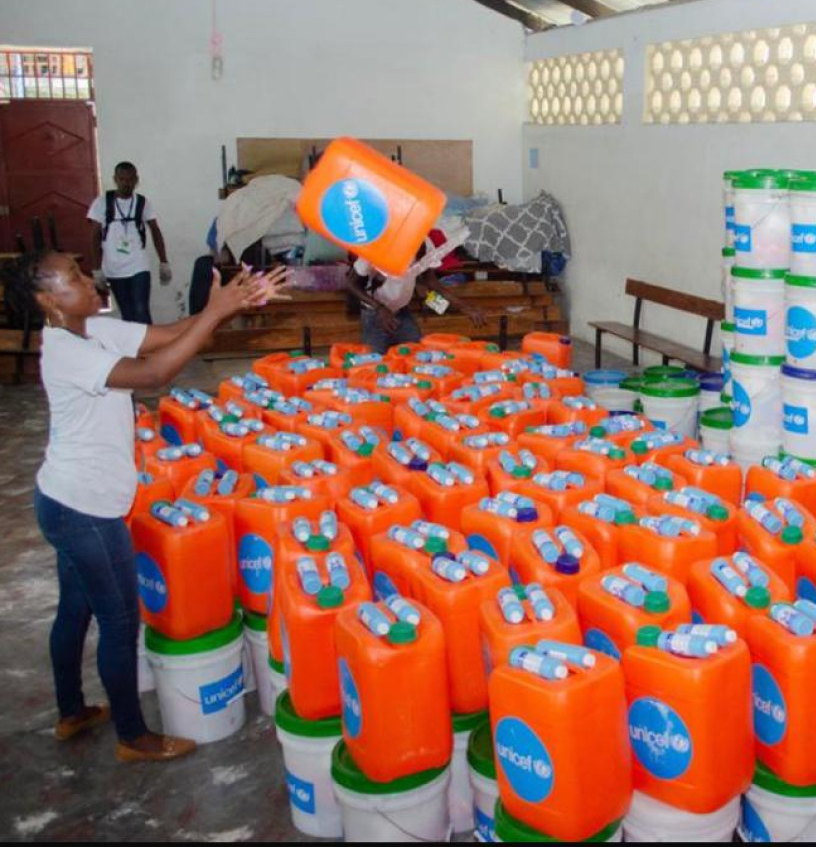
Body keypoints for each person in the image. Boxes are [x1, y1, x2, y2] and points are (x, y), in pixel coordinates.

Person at [20, 249, 287, 761]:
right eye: (73, 276)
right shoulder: (64, 350)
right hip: (84, 509)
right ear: (48, 301)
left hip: (69, 499)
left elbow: (170, 338)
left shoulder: (93, 330)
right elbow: (154, 375)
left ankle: (71, 712)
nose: (88, 277)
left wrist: (224, 306)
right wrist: (214, 312)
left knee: (75, 609)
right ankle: (133, 736)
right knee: (120, 621)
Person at [347, 240, 486, 353]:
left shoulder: (424, 244)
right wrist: (380, 308)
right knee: (375, 362)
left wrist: (466, 307)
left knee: (418, 356)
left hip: (401, 311)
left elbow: (431, 282)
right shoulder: (377, 245)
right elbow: (351, 283)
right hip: (374, 314)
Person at [87, 162, 172, 325]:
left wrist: (164, 261)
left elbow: (155, 231)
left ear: (136, 180)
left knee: (141, 310)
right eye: (122, 179)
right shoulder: (102, 203)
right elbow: (94, 237)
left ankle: (150, 348)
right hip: (114, 268)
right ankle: (135, 349)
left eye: (130, 179)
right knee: (127, 313)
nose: (126, 183)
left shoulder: (142, 203)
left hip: (138, 265)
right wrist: (97, 270)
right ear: (115, 179)